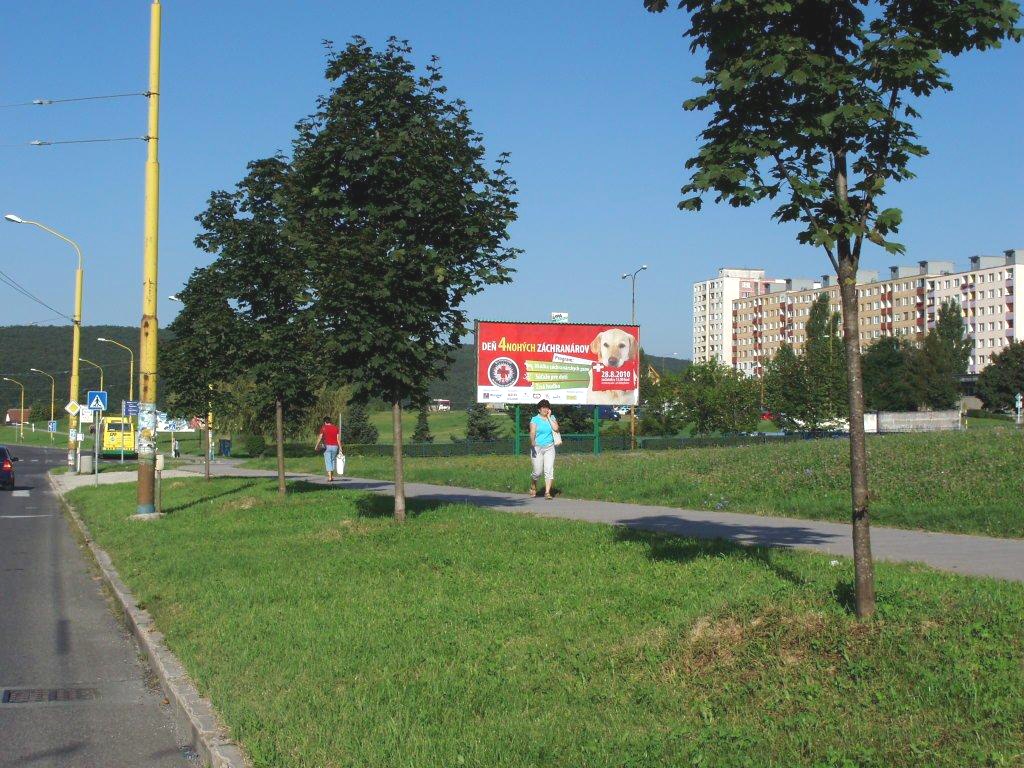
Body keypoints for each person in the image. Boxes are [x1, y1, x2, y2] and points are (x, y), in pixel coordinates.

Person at [529, 399, 559, 499]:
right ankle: (533, 484)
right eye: (543, 408)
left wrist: (549, 417)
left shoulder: (552, 417)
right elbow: (532, 431)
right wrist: (532, 441)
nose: (545, 409)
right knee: (537, 472)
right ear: (539, 409)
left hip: (549, 447)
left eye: (547, 408)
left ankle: (547, 492)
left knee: (549, 470)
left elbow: (556, 429)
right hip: (537, 447)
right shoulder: (535, 419)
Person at [314, 416, 343, 482]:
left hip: (327, 447)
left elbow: (320, 437)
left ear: (324, 422)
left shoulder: (323, 428)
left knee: (328, 461)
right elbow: (338, 439)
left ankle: (330, 477)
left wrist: (316, 446)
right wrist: (340, 448)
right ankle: (332, 476)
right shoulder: (336, 428)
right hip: (335, 447)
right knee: (332, 460)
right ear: (330, 421)